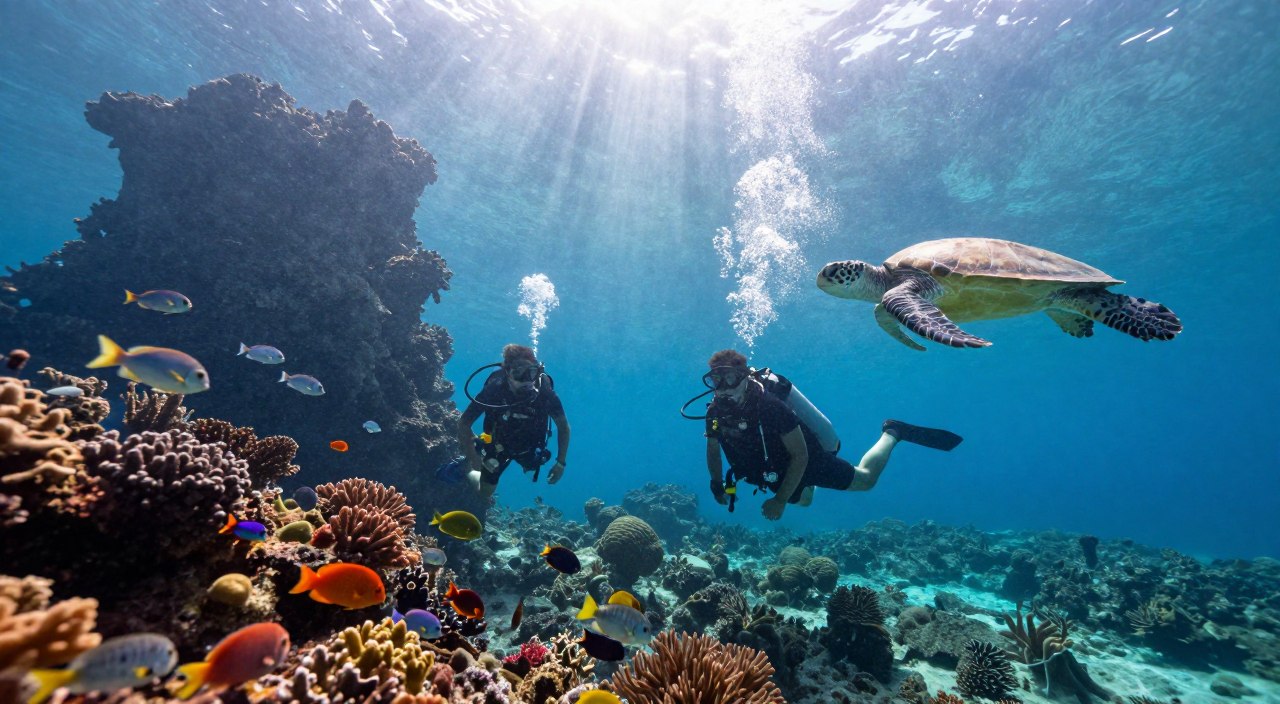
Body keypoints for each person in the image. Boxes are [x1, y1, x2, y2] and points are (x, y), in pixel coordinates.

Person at [702, 349, 961, 520]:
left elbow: (800, 455)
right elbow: (713, 448)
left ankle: (893, 431)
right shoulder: (715, 411)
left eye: (731, 378)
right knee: (803, 501)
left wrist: (779, 501)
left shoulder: (770, 407)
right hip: (770, 464)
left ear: (745, 378)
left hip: (806, 457)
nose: (723, 388)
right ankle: (802, 487)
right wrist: (716, 484)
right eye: (717, 380)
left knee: (867, 480)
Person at [458, 344, 570, 498]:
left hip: (530, 447)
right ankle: (467, 470)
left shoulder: (544, 392)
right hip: (498, 445)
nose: (526, 380)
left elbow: (563, 426)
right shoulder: (494, 389)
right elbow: (464, 423)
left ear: (537, 371)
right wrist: (475, 460)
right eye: (519, 373)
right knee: (485, 493)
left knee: (532, 466)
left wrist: (560, 463)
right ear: (507, 372)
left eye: (531, 372)